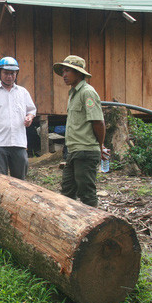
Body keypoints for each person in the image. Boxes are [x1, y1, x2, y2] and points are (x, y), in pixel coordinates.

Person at [53, 55, 108, 208]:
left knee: (86, 193)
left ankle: (95, 224)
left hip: (86, 151)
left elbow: (98, 122)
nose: (64, 75)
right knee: (67, 192)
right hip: (73, 151)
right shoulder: (73, 94)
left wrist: (100, 145)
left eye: (68, 71)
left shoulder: (87, 92)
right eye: (63, 71)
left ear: (78, 73)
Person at [0, 57, 37, 180]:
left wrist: (29, 117)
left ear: (16, 74)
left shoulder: (23, 92)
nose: (9, 76)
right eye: (6, 73)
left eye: (12, 73)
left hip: (19, 143)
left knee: (20, 180)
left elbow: (32, 110)